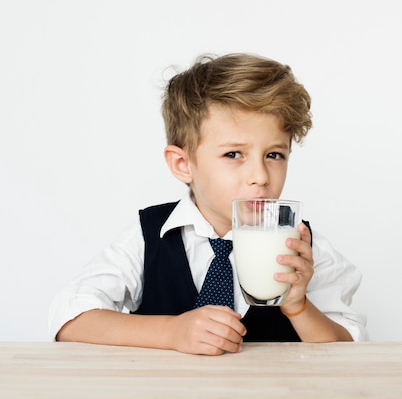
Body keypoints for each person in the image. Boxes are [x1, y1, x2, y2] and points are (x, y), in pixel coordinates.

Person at [48, 52, 367, 356]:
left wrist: (299, 307)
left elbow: (347, 348)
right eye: (233, 154)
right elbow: (70, 316)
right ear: (183, 164)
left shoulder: (303, 249)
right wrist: (170, 333)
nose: (260, 176)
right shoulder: (149, 237)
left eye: (274, 155)